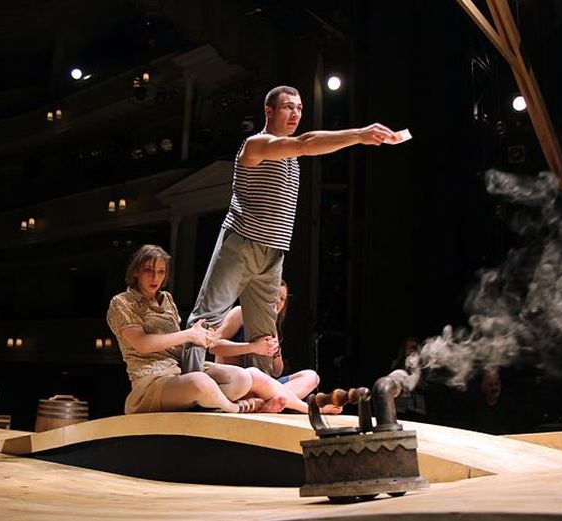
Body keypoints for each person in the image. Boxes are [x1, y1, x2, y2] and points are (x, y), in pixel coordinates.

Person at [184, 85, 407, 376]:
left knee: (264, 336)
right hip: (241, 244)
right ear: (269, 111)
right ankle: (189, 387)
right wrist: (359, 135)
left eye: (300, 108)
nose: (296, 113)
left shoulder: (291, 158)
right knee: (206, 320)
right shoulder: (256, 144)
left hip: (273, 253)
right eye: (288, 107)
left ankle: (261, 392)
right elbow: (305, 142)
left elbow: (300, 146)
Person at [106, 244, 286, 414]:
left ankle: (210, 402)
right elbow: (143, 344)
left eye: (161, 271)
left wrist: (205, 335)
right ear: (136, 271)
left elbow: (181, 343)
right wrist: (189, 335)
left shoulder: (166, 299)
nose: (155, 277)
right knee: (199, 381)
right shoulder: (122, 302)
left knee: (241, 379)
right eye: (148, 270)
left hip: (180, 371)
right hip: (151, 381)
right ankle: (235, 408)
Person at [210, 280, 341, 414]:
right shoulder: (241, 313)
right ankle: (309, 408)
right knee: (254, 374)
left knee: (312, 376)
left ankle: (264, 404)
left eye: (282, 299)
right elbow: (213, 346)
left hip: (262, 387)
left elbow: (277, 372)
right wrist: (254, 347)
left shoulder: (271, 326)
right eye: (274, 296)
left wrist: (275, 353)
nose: (278, 302)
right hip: (239, 384)